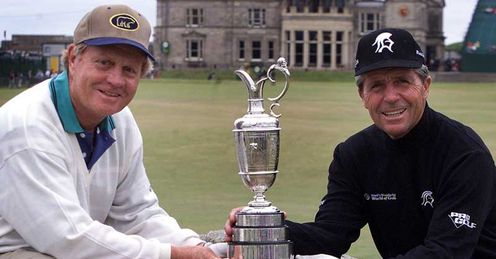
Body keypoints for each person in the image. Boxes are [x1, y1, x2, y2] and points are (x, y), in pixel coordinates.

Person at [225, 28, 496, 258]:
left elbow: (445, 253)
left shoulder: (464, 154)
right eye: (377, 85)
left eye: (402, 81)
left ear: (425, 85)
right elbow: (331, 235)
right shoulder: (353, 155)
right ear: (362, 94)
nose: (391, 97)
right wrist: (265, 227)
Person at [0, 4, 225, 259]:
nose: (115, 80)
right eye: (104, 63)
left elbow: (138, 215)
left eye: (129, 69)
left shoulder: (120, 119)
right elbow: (67, 238)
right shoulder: (28, 127)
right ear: (74, 59)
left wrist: (200, 249)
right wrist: (173, 255)